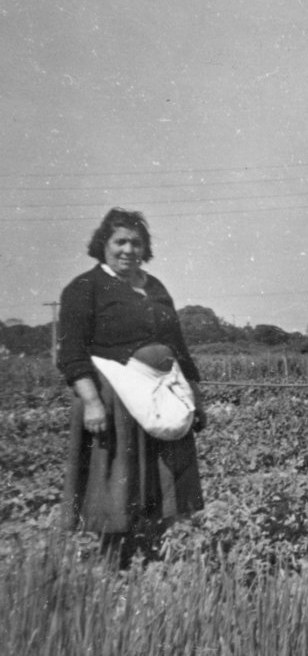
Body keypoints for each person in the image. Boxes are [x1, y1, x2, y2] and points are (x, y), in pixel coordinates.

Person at [58, 208, 206, 565]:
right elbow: (73, 353)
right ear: (103, 245)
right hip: (114, 396)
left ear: (145, 248)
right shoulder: (84, 288)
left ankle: (162, 558)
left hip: (164, 393)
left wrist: (195, 396)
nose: (128, 249)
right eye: (119, 241)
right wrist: (92, 401)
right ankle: (110, 563)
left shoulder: (154, 287)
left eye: (136, 242)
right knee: (115, 480)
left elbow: (179, 347)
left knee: (165, 478)